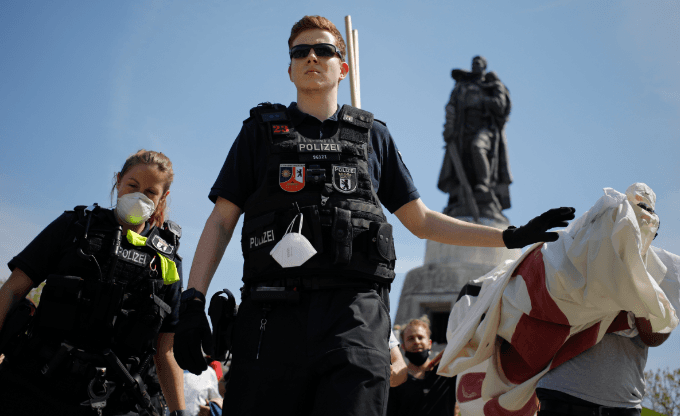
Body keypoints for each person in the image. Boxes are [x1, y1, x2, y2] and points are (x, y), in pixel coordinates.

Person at [172, 15, 574, 416]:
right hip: (271, 316)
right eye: (301, 52)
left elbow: (421, 220)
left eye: (324, 50)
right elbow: (222, 220)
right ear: (290, 68)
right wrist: (193, 299)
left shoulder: (373, 137)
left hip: (355, 318)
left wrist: (508, 236)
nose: (312, 57)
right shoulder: (259, 132)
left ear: (342, 68)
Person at [0, 150, 187, 416]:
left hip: (113, 402)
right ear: (118, 181)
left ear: (162, 198)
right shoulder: (74, 226)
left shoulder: (167, 260)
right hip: (33, 387)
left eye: (150, 192)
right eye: (132, 185)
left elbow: (165, 350)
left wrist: (181, 412)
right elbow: (10, 292)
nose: (139, 195)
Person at [536, 316, 671, 415]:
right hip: (560, 396)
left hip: (624, 404)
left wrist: (640, 293)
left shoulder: (662, 277)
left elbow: (653, 335)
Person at [438, 55, 512, 220]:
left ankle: (484, 186)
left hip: (485, 128)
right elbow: (451, 106)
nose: (475, 65)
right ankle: (462, 198)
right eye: (473, 63)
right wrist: (449, 127)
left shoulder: (490, 86)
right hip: (463, 130)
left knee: (478, 148)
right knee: (464, 162)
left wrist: (483, 100)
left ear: (484, 67)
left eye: (478, 63)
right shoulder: (462, 87)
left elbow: (501, 107)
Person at [388, 319, 455, 416]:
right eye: (410, 338)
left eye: (420, 337)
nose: (416, 342)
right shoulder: (396, 380)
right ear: (403, 347)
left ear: (429, 343)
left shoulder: (446, 373)